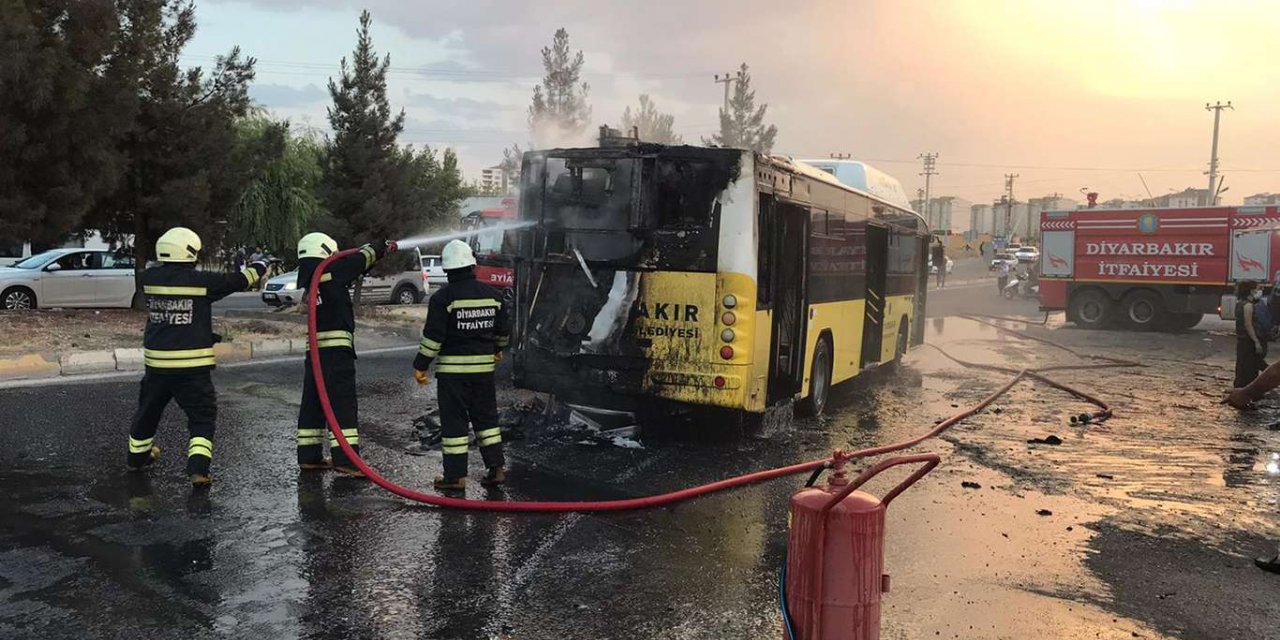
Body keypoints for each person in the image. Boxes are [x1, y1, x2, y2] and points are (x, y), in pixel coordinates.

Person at [127, 227, 267, 486]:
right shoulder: (202, 282)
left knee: (147, 412)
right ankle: (198, 470)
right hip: (192, 368)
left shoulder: (148, 278)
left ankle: (136, 459)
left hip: (157, 365)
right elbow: (238, 280)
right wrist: (259, 266)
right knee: (202, 417)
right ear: (189, 251)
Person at [413, 239, 510, 490]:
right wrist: (497, 349)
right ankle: (496, 468)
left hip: (453, 374)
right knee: (487, 420)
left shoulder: (442, 298)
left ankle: (455, 477)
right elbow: (503, 332)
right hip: (483, 372)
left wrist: (421, 365)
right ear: (473, 265)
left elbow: (433, 338)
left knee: (455, 423)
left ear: (446, 269)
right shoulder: (494, 296)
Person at [294, 233, 392, 476]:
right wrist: (380, 246)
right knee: (342, 403)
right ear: (326, 252)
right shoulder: (331, 270)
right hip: (336, 352)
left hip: (315, 352)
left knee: (313, 403)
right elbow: (361, 259)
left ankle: (309, 456)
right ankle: (346, 461)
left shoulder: (311, 278)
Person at [1235, 282, 1267, 389]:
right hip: (1248, 342)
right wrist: (1256, 342)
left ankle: (1240, 388)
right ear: (1251, 291)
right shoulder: (1248, 306)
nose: (1259, 291)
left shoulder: (1239, 304)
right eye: (1257, 289)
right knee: (1252, 367)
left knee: (1243, 366)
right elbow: (1248, 325)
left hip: (1241, 341)